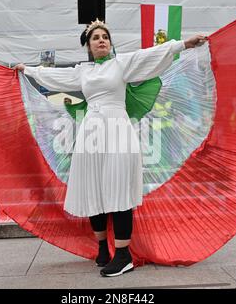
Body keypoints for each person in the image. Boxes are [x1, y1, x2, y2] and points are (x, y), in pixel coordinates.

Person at [14, 19, 207, 277]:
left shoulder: (121, 63)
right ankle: (103, 248)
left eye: (105, 36)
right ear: (89, 46)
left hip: (118, 130)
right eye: (95, 38)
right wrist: (28, 70)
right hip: (91, 131)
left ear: (110, 43)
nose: (101, 40)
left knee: (118, 187)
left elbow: (149, 55)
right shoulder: (82, 71)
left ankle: (124, 255)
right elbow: (54, 76)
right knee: (93, 187)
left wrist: (183, 44)